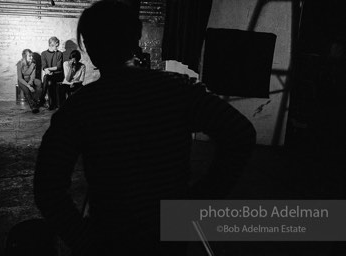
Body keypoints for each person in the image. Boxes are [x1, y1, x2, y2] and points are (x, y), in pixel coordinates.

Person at [34, 1, 256, 255]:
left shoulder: (81, 108)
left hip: (111, 234)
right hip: (168, 233)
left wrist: (85, 241)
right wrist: (199, 203)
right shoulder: (177, 91)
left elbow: (47, 187)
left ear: (88, 45)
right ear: (135, 38)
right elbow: (240, 133)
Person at [39, 37, 64, 110]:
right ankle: (51, 104)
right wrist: (47, 70)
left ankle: (42, 99)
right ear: (50, 45)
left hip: (58, 74)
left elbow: (59, 67)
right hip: (49, 75)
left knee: (46, 78)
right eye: (56, 46)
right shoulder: (43, 53)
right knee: (49, 81)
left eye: (57, 45)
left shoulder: (59, 53)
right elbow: (44, 66)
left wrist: (48, 69)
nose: (57, 47)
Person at [17, 49, 41, 114]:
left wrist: (30, 83)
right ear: (25, 56)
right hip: (22, 81)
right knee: (27, 90)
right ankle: (33, 107)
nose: (31, 57)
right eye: (30, 56)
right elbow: (20, 78)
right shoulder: (20, 63)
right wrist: (28, 86)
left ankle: (35, 100)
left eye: (32, 56)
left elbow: (33, 76)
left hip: (30, 80)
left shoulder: (33, 63)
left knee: (39, 83)